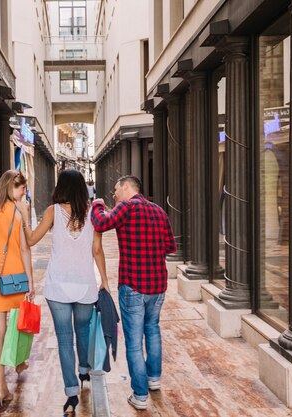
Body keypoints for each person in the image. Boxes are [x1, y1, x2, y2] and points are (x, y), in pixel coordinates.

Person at [16, 169, 109, 414]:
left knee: (65, 341)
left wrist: (25, 217)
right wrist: (105, 282)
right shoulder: (92, 215)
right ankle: (84, 370)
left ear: (61, 187)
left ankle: (71, 393)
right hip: (85, 285)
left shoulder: (52, 212)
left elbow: (32, 239)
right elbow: (97, 250)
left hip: (58, 286)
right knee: (83, 332)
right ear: (82, 189)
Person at [91, 175, 175, 411]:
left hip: (134, 286)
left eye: (116, 190)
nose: (114, 195)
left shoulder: (126, 208)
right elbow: (169, 246)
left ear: (127, 187)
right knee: (153, 330)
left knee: (135, 342)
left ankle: (140, 395)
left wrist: (96, 203)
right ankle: (153, 379)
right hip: (157, 285)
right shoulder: (159, 211)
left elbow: (100, 223)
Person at [0, 170, 35, 406]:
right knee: (20, 324)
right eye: (22, 189)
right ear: (13, 188)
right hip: (17, 276)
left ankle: (2, 386)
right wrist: (31, 281)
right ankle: (20, 362)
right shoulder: (18, 211)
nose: (24, 193)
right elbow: (24, 248)